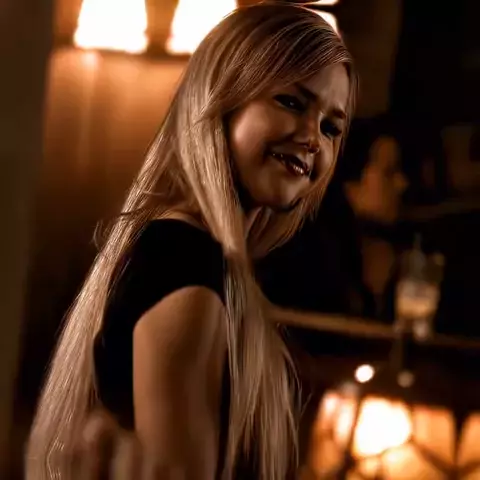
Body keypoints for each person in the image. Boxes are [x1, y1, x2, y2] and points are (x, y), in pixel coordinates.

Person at [26, 3, 357, 479]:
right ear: (222, 98)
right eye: (291, 102)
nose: (312, 138)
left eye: (331, 128)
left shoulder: (197, 257)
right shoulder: (185, 260)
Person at [257, 117, 409, 321]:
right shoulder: (309, 252)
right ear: (351, 183)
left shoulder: (377, 248)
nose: (402, 184)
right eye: (389, 173)